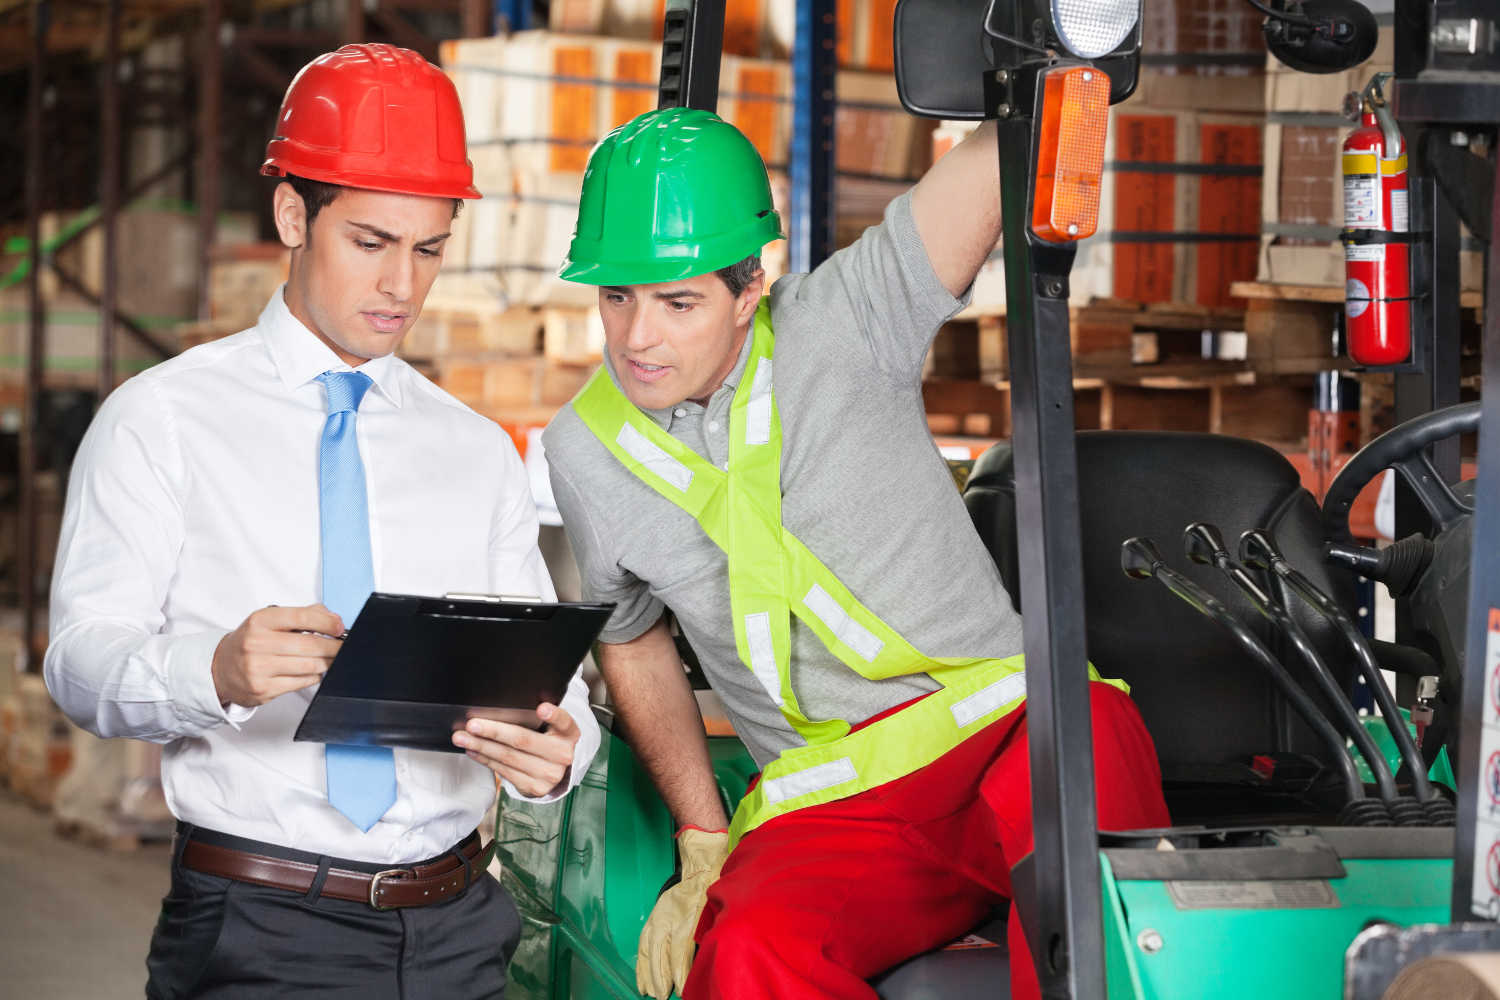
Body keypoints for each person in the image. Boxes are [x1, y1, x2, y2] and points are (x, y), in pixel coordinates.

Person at [541, 107, 1171, 1000]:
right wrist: (701, 835)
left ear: (749, 285)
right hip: (834, 800)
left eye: (677, 302)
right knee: (750, 952)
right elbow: (631, 634)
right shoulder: (582, 453)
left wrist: (1053, 49)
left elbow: (996, 157)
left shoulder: (850, 316)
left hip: (998, 734)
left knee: (1094, 734)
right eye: (617, 297)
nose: (637, 339)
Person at [44, 44, 598, 999]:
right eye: (372, 243)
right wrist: (211, 670)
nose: (402, 286)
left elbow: (550, 681)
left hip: (459, 928)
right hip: (260, 926)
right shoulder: (162, 418)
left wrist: (559, 752)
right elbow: (79, 662)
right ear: (293, 214)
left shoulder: (472, 451)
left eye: (429, 249)